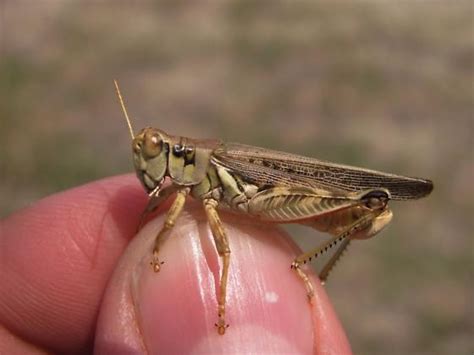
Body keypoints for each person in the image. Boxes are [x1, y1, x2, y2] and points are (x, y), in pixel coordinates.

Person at [0, 174, 352, 354]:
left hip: (281, 196)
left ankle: (303, 265)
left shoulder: (204, 177)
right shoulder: (183, 191)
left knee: (225, 249)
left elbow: (213, 242)